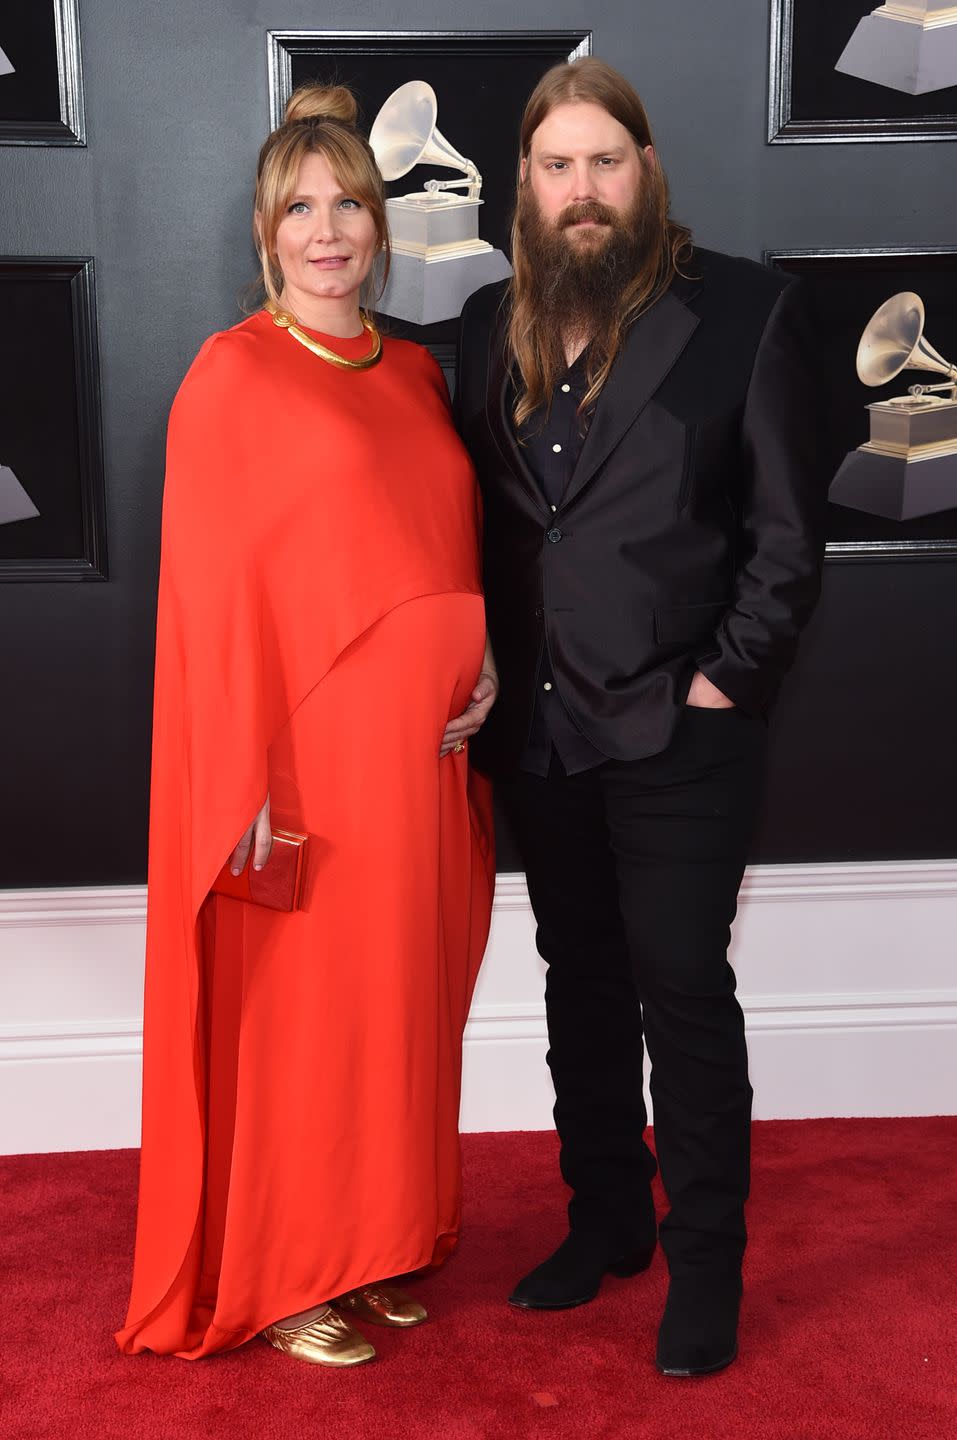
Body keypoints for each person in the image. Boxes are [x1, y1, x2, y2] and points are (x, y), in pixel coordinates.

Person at [116, 82, 497, 1367]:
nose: (327, 230)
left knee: (396, 1008)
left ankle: (377, 1241)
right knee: (305, 1015)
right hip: (310, 760)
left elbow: (439, 531)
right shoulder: (233, 377)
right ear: (265, 231)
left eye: (349, 204)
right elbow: (210, 601)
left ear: (383, 225)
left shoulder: (421, 372)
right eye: (300, 208)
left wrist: (482, 648)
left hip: (422, 764)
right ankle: (286, 1273)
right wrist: (247, 777)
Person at [455, 57, 825, 1377]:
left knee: (681, 985)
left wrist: (724, 679)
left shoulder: (748, 313)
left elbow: (787, 534)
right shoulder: (485, 321)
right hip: (544, 734)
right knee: (583, 986)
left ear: (648, 172)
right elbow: (478, 530)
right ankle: (605, 1219)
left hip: (683, 728)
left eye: (605, 161)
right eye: (557, 166)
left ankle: (703, 1263)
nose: (583, 188)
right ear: (527, 189)